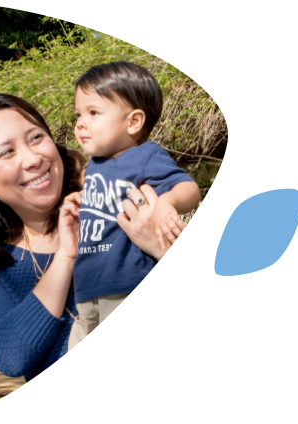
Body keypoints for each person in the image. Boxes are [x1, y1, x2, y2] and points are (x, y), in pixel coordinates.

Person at [0, 93, 173, 383]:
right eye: (7, 152)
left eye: (36, 137)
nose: (33, 158)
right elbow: (10, 356)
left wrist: (159, 245)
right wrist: (65, 256)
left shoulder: (114, 196)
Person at [69, 61, 201, 349]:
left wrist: (166, 202)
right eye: (78, 113)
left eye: (93, 112)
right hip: (87, 290)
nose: (80, 122)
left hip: (126, 284)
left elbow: (190, 189)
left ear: (133, 122)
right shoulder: (93, 167)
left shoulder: (145, 156)